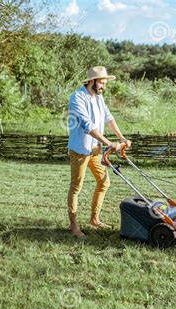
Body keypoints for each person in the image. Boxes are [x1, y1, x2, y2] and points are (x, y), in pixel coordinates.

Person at [67, 66, 131, 238]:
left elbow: (109, 118)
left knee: (104, 182)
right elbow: (88, 125)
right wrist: (109, 143)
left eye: (105, 83)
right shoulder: (77, 97)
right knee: (76, 187)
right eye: (102, 82)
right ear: (92, 81)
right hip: (80, 149)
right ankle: (73, 226)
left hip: (96, 149)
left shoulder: (99, 98)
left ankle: (94, 219)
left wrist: (122, 138)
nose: (104, 86)